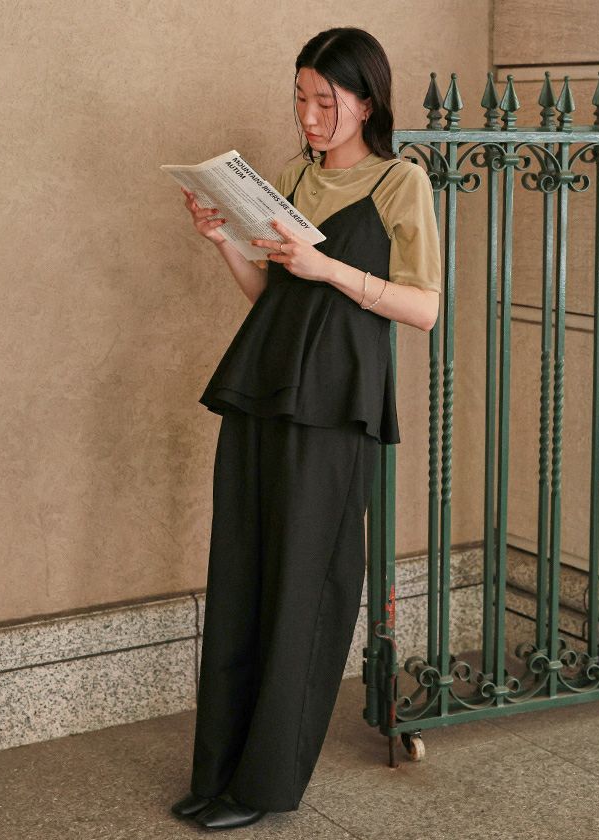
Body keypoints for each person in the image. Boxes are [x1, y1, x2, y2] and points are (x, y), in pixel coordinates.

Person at [170, 26, 441, 832]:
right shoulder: (290, 177)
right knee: (244, 577)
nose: (311, 116)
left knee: (302, 592)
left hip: (335, 408)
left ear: (367, 101)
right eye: (301, 99)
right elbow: (274, 299)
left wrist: (329, 268)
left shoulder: (399, 182)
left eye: (327, 101)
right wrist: (223, 243)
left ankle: (264, 785)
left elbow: (425, 308)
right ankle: (219, 771)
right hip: (263, 391)